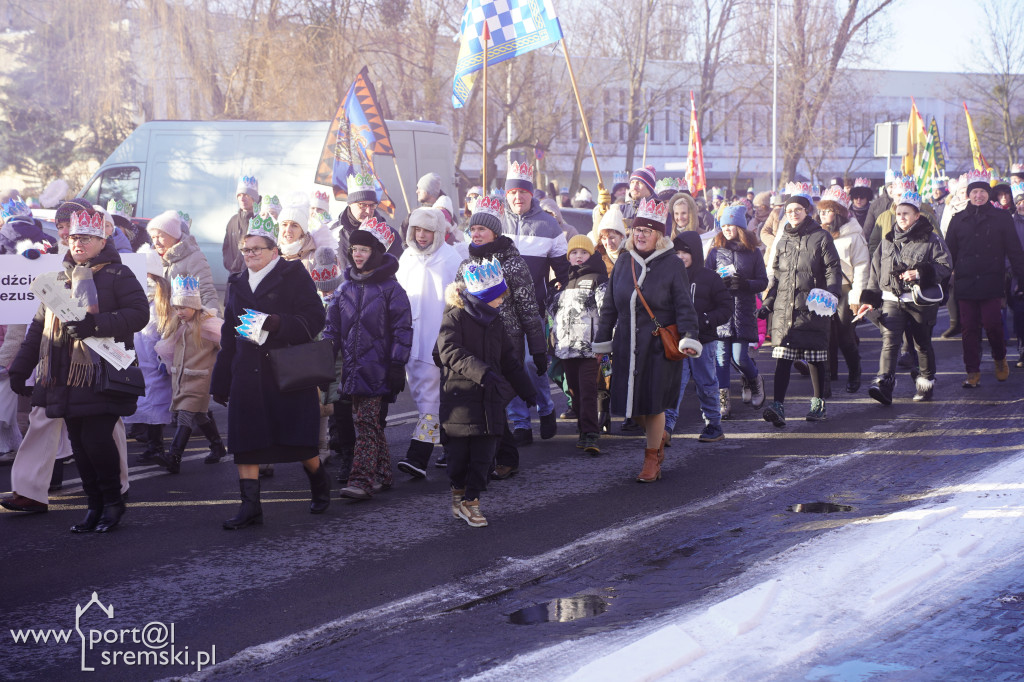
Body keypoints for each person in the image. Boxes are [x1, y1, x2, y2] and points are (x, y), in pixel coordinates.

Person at [8, 208, 149, 533]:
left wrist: (95, 324)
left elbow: (139, 314)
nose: (78, 244)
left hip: (101, 374)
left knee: (97, 440)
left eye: (86, 238)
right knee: (81, 446)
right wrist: (21, 367)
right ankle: (94, 505)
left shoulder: (117, 274)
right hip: (64, 376)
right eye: (74, 238)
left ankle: (113, 503)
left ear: (102, 240)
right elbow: (39, 328)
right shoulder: (58, 281)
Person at [211, 213, 331, 528]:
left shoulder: (293, 274)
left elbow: (315, 318)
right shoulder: (236, 283)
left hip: (285, 371)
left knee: (299, 441)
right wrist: (221, 379)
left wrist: (277, 323)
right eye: (245, 249)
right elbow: (228, 333)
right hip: (246, 373)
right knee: (245, 440)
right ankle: (250, 506)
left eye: (256, 249)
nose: (249, 254)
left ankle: (319, 482)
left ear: (273, 251)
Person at [593, 197, 702, 483]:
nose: (640, 235)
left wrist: (690, 337)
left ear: (659, 235)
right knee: (630, 406)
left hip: (658, 348)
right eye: (637, 229)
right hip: (625, 346)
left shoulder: (672, 264)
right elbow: (609, 308)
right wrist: (602, 343)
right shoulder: (624, 261)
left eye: (648, 230)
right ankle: (660, 433)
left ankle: (651, 458)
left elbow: (684, 307)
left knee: (653, 405)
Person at [435, 259, 535, 527]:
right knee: (458, 457)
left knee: (483, 456)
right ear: (484, 297)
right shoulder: (454, 316)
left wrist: (527, 389)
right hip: (461, 400)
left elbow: (509, 360)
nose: (502, 301)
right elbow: (448, 351)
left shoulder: (495, 321)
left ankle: (471, 501)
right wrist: (482, 372)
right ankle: (458, 491)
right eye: (498, 297)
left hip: (489, 400)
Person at [323, 216, 412, 500]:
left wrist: (398, 364)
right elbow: (331, 329)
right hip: (350, 369)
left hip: (379, 369)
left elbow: (403, 329)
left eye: (364, 249)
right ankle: (383, 474)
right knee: (368, 422)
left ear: (376, 252)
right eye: (355, 250)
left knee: (364, 423)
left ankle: (361, 480)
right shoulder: (344, 288)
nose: (358, 255)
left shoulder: (391, 289)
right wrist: (324, 357)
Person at [455, 196, 544, 477]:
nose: (477, 234)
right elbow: (456, 306)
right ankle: (491, 456)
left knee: (495, 401)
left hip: (507, 343)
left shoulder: (513, 263)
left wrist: (538, 348)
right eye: (474, 229)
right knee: (484, 402)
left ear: (495, 232)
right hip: (474, 345)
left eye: (483, 229)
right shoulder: (465, 265)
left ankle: (504, 458)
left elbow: (528, 307)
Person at [857, 189, 952, 403]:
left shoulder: (931, 240)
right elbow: (876, 272)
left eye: (906, 213)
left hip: (920, 301)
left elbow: (945, 265)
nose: (901, 217)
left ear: (917, 216)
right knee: (890, 341)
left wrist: (920, 273)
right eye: (898, 213)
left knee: (921, 343)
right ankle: (884, 383)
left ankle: (925, 383)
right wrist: (870, 301)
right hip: (892, 299)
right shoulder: (887, 241)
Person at [759, 184, 842, 426]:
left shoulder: (821, 237)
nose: (793, 213)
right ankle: (778, 406)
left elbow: (832, 269)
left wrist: (832, 295)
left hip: (814, 306)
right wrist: (768, 303)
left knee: (815, 357)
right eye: (789, 210)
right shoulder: (783, 239)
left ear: (807, 211)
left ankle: (818, 404)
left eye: (798, 209)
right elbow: (777, 275)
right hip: (786, 308)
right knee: (783, 358)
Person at [502, 161, 568, 444]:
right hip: (502, 310)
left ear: (532, 194)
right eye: (513, 192)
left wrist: (559, 294)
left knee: (532, 363)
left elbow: (563, 271)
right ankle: (519, 423)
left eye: (523, 192)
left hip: (535, 308)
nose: (518, 197)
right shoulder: (496, 222)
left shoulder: (548, 224)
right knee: (509, 365)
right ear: (506, 195)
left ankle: (546, 407)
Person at [395, 207, 462, 477]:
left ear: (439, 232)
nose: (421, 236)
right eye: (417, 230)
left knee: (429, 400)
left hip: (439, 341)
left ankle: (418, 456)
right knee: (431, 398)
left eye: (427, 231)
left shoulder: (450, 258)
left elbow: (460, 301)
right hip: (411, 341)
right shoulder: (407, 257)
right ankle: (452, 447)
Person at [945, 169, 1024, 387]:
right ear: (968, 195)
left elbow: (1014, 250)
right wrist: (943, 279)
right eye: (974, 192)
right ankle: (972, 372)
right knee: (968, 328)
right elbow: (947, 252)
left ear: (988, 194)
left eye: (982, 191)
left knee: (993, 324)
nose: (978, 195)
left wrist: (1021, 276)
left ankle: (1000, 359)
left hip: (991, 280)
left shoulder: (1001, 218)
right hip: (965, 282)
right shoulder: (958, 220)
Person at [152, 275, 224, 473]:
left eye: (183, 307)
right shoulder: (180, 324)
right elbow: (168, 347)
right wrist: (164, 363)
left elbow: (227, 345)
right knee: (200, 416)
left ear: (195, 306)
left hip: (200, 379)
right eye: (176, 308)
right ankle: (217, 446)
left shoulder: (209, 325)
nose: (179, 312)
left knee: (185, 416)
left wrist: (224, 371)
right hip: (182, 378)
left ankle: (174, 457)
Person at [664, 231, 730, 442]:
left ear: (696, 253)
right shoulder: (669, 277)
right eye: (677, 252)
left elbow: (726, 307)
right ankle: (666, 428)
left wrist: (706, 319)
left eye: (686, 252)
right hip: (676, 341)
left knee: (707, 384)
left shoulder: (710, 278)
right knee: (674, 384)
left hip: (704, 342)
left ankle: (713, 425)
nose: (681, 256)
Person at [706, 205, 768, 414]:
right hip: (721, 312)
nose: (726, 229)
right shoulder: (715, 252)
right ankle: (723, 400)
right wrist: (717, 283)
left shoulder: (753, 253)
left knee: (740, 356)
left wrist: (745, 284)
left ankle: (755, 380)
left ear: (740, 226)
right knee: (721, 358)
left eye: (730, 225)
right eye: (723, 225)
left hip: (743, 311)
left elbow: (762, 282)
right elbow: (706, 279)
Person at [549, 235, 607, 453]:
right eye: (574, 253)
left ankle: (592, 434)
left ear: (590, 255)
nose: (578, 256)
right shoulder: (563, 283)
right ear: (568, 257)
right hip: (565, 349)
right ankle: (582, 430)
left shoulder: (598, 280)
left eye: (583, 252)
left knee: (588, 391)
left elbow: (606, 313)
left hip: (589, 349)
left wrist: (604, 343)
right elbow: (554, 314)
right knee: (574, 393)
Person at [124, 247, 174, 464]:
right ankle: (151, 443)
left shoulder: (161, 302)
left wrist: (166, 357)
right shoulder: (133, 297)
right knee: (144, 401)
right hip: (138, 358)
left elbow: (168, 331)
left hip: (155, 360)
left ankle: (156, 445)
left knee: (156, 403)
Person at [817, 186, 869, 393]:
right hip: (822, 289)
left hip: (845, 289)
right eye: (821, 211)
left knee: (845, 334)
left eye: (827, 210)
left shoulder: (854, 235)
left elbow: (862, 266)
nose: (822, 214)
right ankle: (827, 376)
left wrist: (857, 296)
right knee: (823, 334)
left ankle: (855, 372)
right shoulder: (817, 233)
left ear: (838, 212)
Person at [332, 172, 403, 273]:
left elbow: (399, 272)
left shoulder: (390, 236)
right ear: (350, 204)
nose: (368, 211)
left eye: (372, 205)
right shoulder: (333, 233)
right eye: (362, 205)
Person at [148, 210, 219, 309]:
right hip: (155, 321)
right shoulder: (151, 258)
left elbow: (206, 293)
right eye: (153, 237)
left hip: (182, 322)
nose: (156, 242)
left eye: (160, 237)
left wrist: (214, 321)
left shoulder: (194, 257)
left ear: (174, 235)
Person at [222, 174, 258, 273]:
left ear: (254, 198)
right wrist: (231, 266)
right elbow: (226, 247)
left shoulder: (260, 221)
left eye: (246, 195)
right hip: (234, 276)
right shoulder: (233, 221)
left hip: (253, 275)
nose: (242, 198)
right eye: (239, 195)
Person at [1011, 181, 1024, 367]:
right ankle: (1022, 348)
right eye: (1020, 201)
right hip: (1016, 275)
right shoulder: (1009, 222)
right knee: (1020, 313)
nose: (1022, 204)